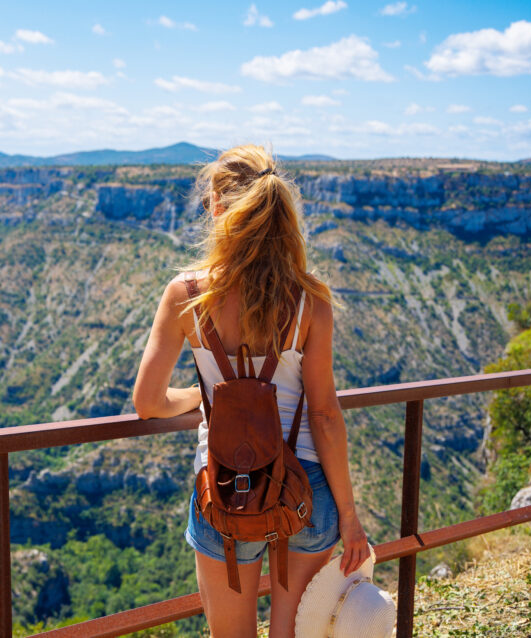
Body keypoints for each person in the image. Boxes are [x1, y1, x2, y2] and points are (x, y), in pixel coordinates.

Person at [132, 144, 369, 638]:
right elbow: (325, 415)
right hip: (306, 490)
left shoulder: (188, 294)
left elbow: (149, 402)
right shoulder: (310, 300)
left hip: (225, 490)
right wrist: (349, 517)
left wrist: (204, 398)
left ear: (218, 206)